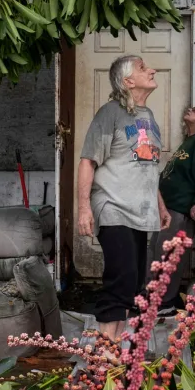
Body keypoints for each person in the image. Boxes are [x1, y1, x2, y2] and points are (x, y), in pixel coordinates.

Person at [78, 54, 172, 339]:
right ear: (128, 81)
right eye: (144, 68)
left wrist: (160, 205)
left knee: (133, 285)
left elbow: (147, 165)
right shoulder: (110, 113)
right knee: (120, 280)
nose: (152, 69)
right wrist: (84, 207)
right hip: (113, 205)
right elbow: (87, 161)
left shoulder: (148, 117)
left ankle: (118, 348)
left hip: (140, 211)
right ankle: (105, 356)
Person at [149, 103, 195, 314]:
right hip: (166, 209)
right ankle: (154, 300)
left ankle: (164, 304)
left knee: (169, 256)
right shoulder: (187, 142)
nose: (190, 109)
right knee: (157, 254)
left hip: (180, 208)